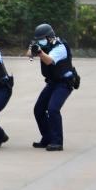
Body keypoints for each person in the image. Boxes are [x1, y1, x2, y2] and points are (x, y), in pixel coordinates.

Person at [29, 23, 76, 152]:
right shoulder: (44, 45)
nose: (40, 41)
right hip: (52, 82)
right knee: (38, 109)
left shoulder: (60, 47)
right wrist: (33, 49)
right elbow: (29, 55)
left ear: (49, 37)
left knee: (53, 109)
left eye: (42, 39)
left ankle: (57, 142)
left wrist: (39, 52)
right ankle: (47, 138)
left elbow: (49, 60)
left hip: (64, 83)